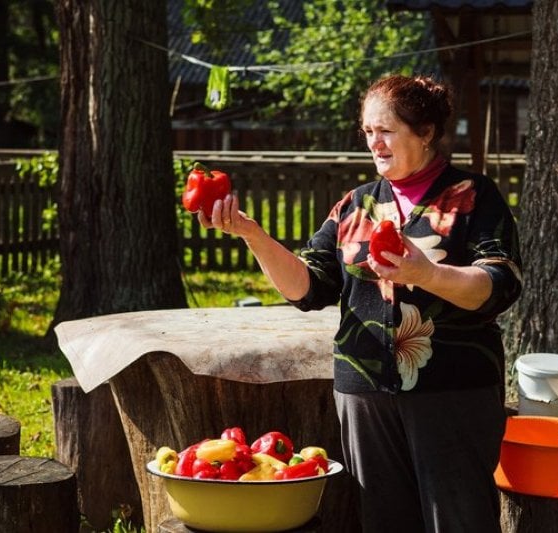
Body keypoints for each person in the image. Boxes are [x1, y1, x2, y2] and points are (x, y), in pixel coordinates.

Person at [200, 74, 523, 533]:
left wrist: (426, 274)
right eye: (368, 131)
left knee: (460, 519)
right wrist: (253, 234)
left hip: (454, 388)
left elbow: (500, 283)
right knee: (383, 520)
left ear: (426, 132)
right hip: (363, 391)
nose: (375, 142)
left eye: (386, 130)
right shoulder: (354, 206)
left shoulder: (472, 197)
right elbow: (308, 289)